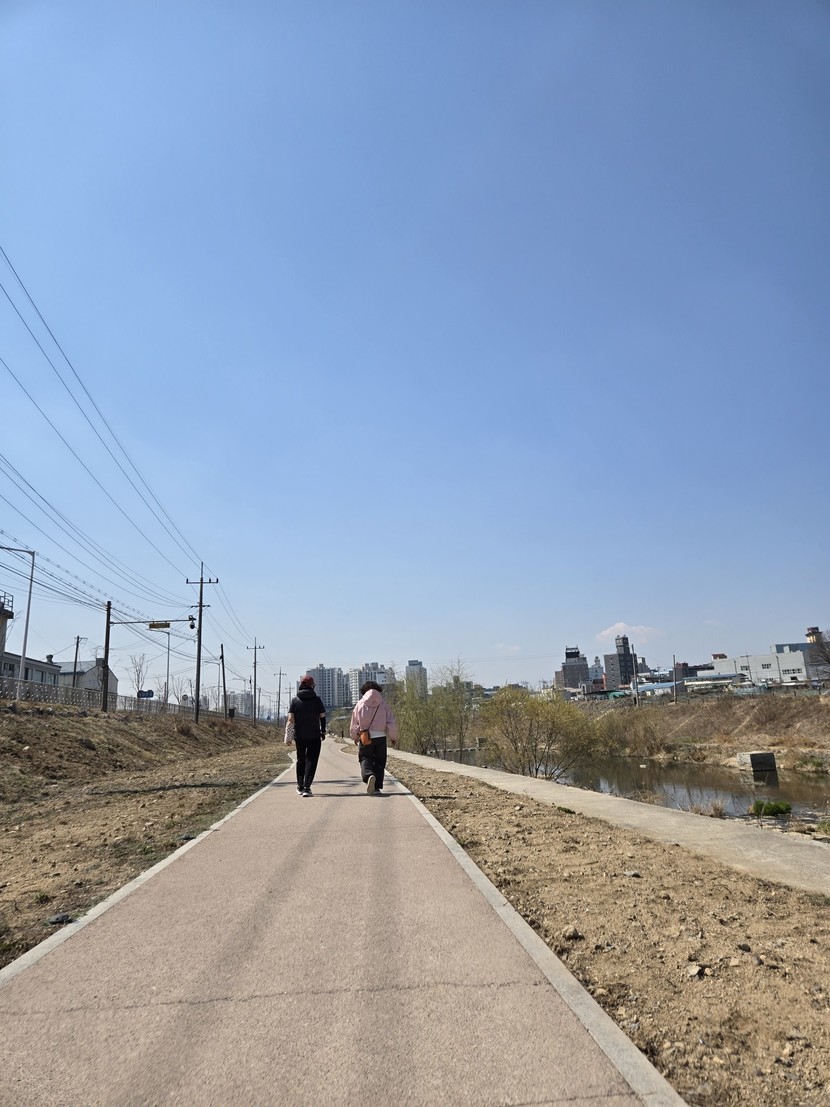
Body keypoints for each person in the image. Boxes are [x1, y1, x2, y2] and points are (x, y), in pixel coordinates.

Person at [349, 680, 398, 795]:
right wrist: (393, 737)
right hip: (381, 737)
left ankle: (369, 775)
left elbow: (354, 723)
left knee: (365, 758)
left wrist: (355, 736)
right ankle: (376, 788)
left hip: (365, 737)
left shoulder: (360, 704)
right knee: (380, 761)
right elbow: (391, 722)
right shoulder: (383, 704)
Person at [287, 675, 327, 797]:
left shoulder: (295, 700)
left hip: (299, 736)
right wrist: (323, 731)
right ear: (311, 686)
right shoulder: (317, 700)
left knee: (301, 760)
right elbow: (322, 717)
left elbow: (290, 719)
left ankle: (299, 786)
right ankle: (307, 787)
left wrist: (289, 734)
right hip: (314, 735)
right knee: (311, 760)